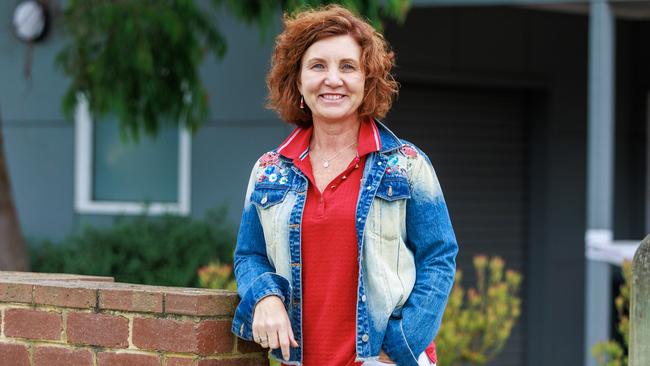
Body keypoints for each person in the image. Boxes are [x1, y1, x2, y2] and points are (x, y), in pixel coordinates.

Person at [230, 5, 457, 366]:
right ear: (298, 81)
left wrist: (394, 351)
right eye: (318, 66)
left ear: (367, 81)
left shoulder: (408, 165)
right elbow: (249, 255)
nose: (332, 79)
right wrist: (264, 296)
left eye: (348, 67)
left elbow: (439, 258)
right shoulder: (269, 171)